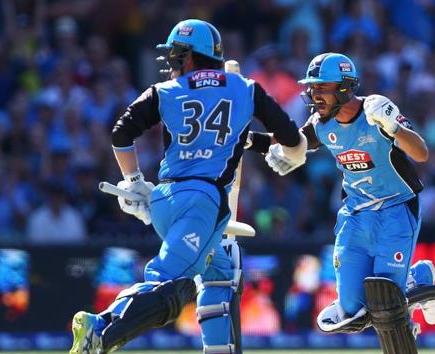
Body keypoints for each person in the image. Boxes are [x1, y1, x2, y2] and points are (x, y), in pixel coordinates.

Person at [69, 19, 307, 354]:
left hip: (166, 198)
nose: (171, 63)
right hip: (204, 203)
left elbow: (121, 133)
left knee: (222, 275)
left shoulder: (165, 91)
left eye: (176, 56)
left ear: (192, 57)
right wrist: (291, 154)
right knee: (169, 284)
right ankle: (103, 328)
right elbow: (291, 138)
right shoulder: (245, 88)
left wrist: (134, 182)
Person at [246, 53, 435, 354]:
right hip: (355, 215)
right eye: (312, 87)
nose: (313, 94)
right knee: (351, 308)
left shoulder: (376, 111)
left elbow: (422, 153)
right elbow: (286, 142)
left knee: (387, 296)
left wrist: (394, 127)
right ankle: (409, 291)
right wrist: (244, 140)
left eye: (321, 87)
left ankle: (420, 276)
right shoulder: (321, 125)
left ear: (345, 87)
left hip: (396, 208)